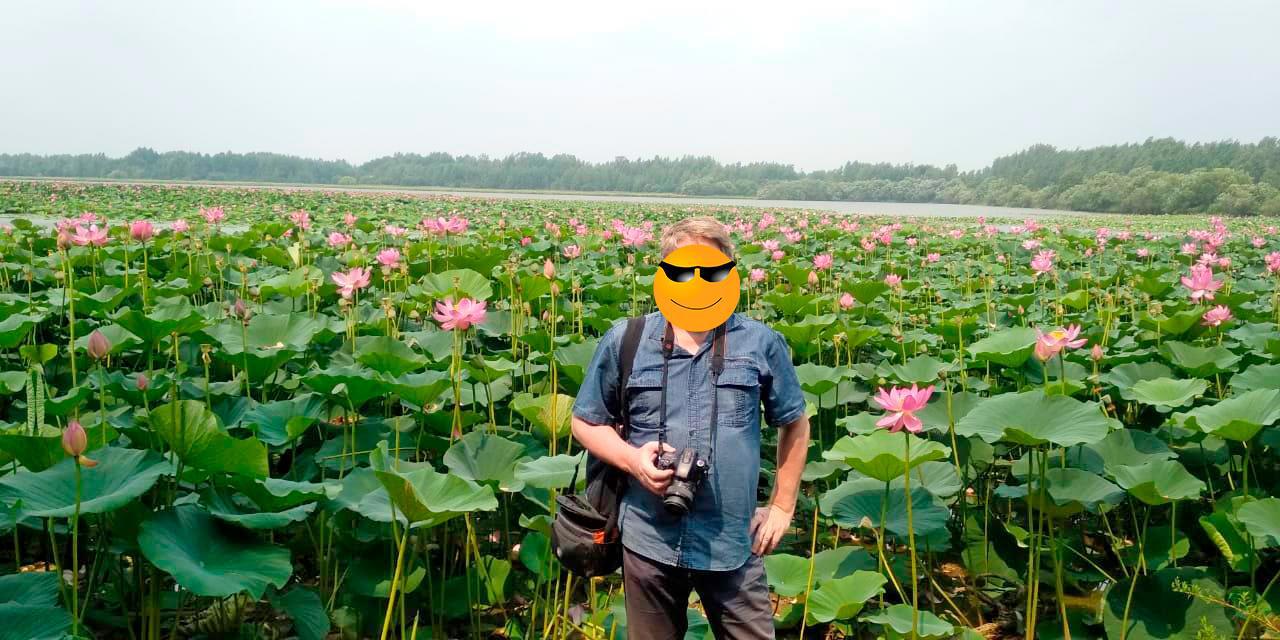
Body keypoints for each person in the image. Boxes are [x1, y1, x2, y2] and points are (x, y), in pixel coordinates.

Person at [571, 216, 811, 640]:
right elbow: (586, 421)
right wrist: (632, 459)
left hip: (732, 539)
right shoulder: (627, 340)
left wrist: (782, 506)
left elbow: (794, 423)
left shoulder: (760, 342)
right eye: (683, 273)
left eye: (712, 273)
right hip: (648, 537)